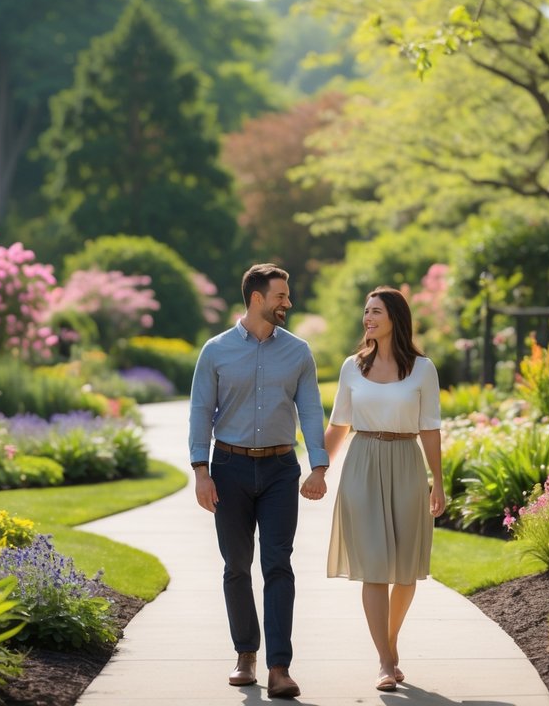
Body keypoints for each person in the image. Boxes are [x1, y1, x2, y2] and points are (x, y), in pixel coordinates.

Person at [188, 263, 330, 700]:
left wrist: (319, 466)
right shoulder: (215, 350)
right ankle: (246, 653)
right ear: (256, 298)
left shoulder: (299, 352)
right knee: (235, 567)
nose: (287, 302)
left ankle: (279, 666)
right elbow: (200, 412)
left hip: (279, 470)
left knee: (278, 565)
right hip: (228, 468)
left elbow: (310, 411)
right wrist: (200, 471)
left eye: (287, 295)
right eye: (281, 296)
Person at [317, 285, 445, 693]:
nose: (368, 319)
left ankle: (389, 643)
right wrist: (318, 470)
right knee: (374, 566)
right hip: (363, 464)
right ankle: (385, 660)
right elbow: (339, 424)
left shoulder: (423, 369)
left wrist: (437, 482)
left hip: (407, 463)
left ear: (395, 318)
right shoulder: (352, 367)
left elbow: (430, 428)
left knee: (405, 571)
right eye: (366, 312)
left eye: (376, 312)